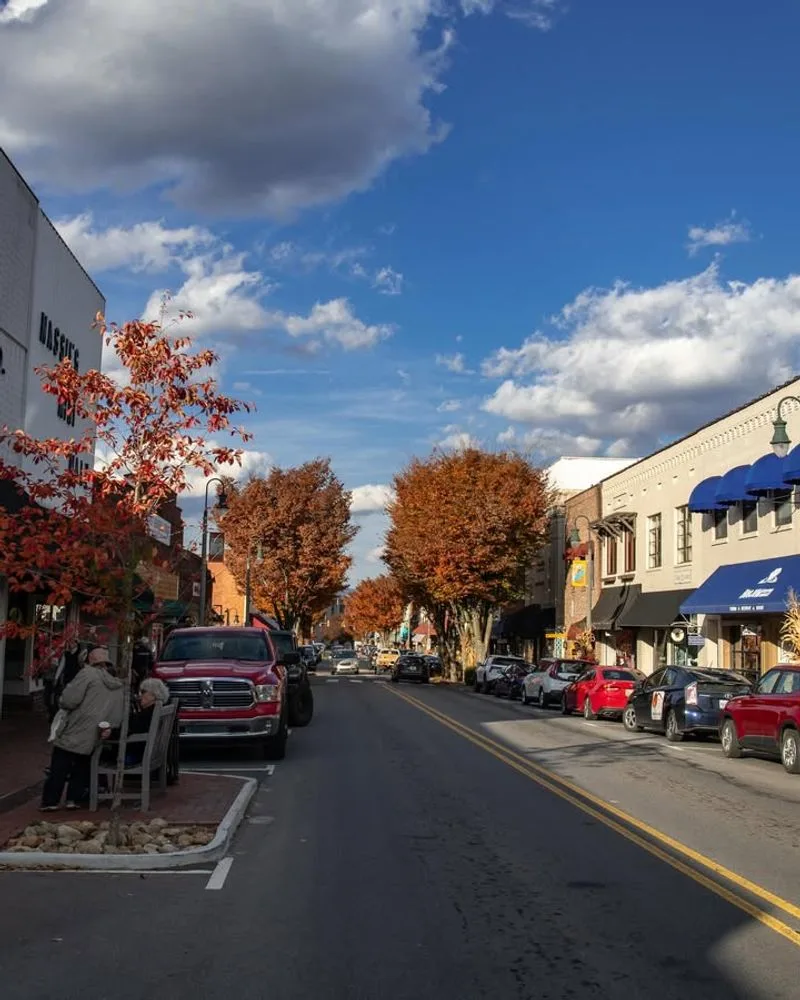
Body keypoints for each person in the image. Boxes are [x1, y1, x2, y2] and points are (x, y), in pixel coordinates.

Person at [40, 646, 124, 811]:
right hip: (97, 734)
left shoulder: (87, 674)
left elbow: (69, 700)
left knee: (60, 764)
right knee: (81, 765)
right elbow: (117, 714)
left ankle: (50, 801)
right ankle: (73, 799)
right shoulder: (117, 684)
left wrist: (61, 700)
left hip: (77, 728)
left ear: (90, 660)